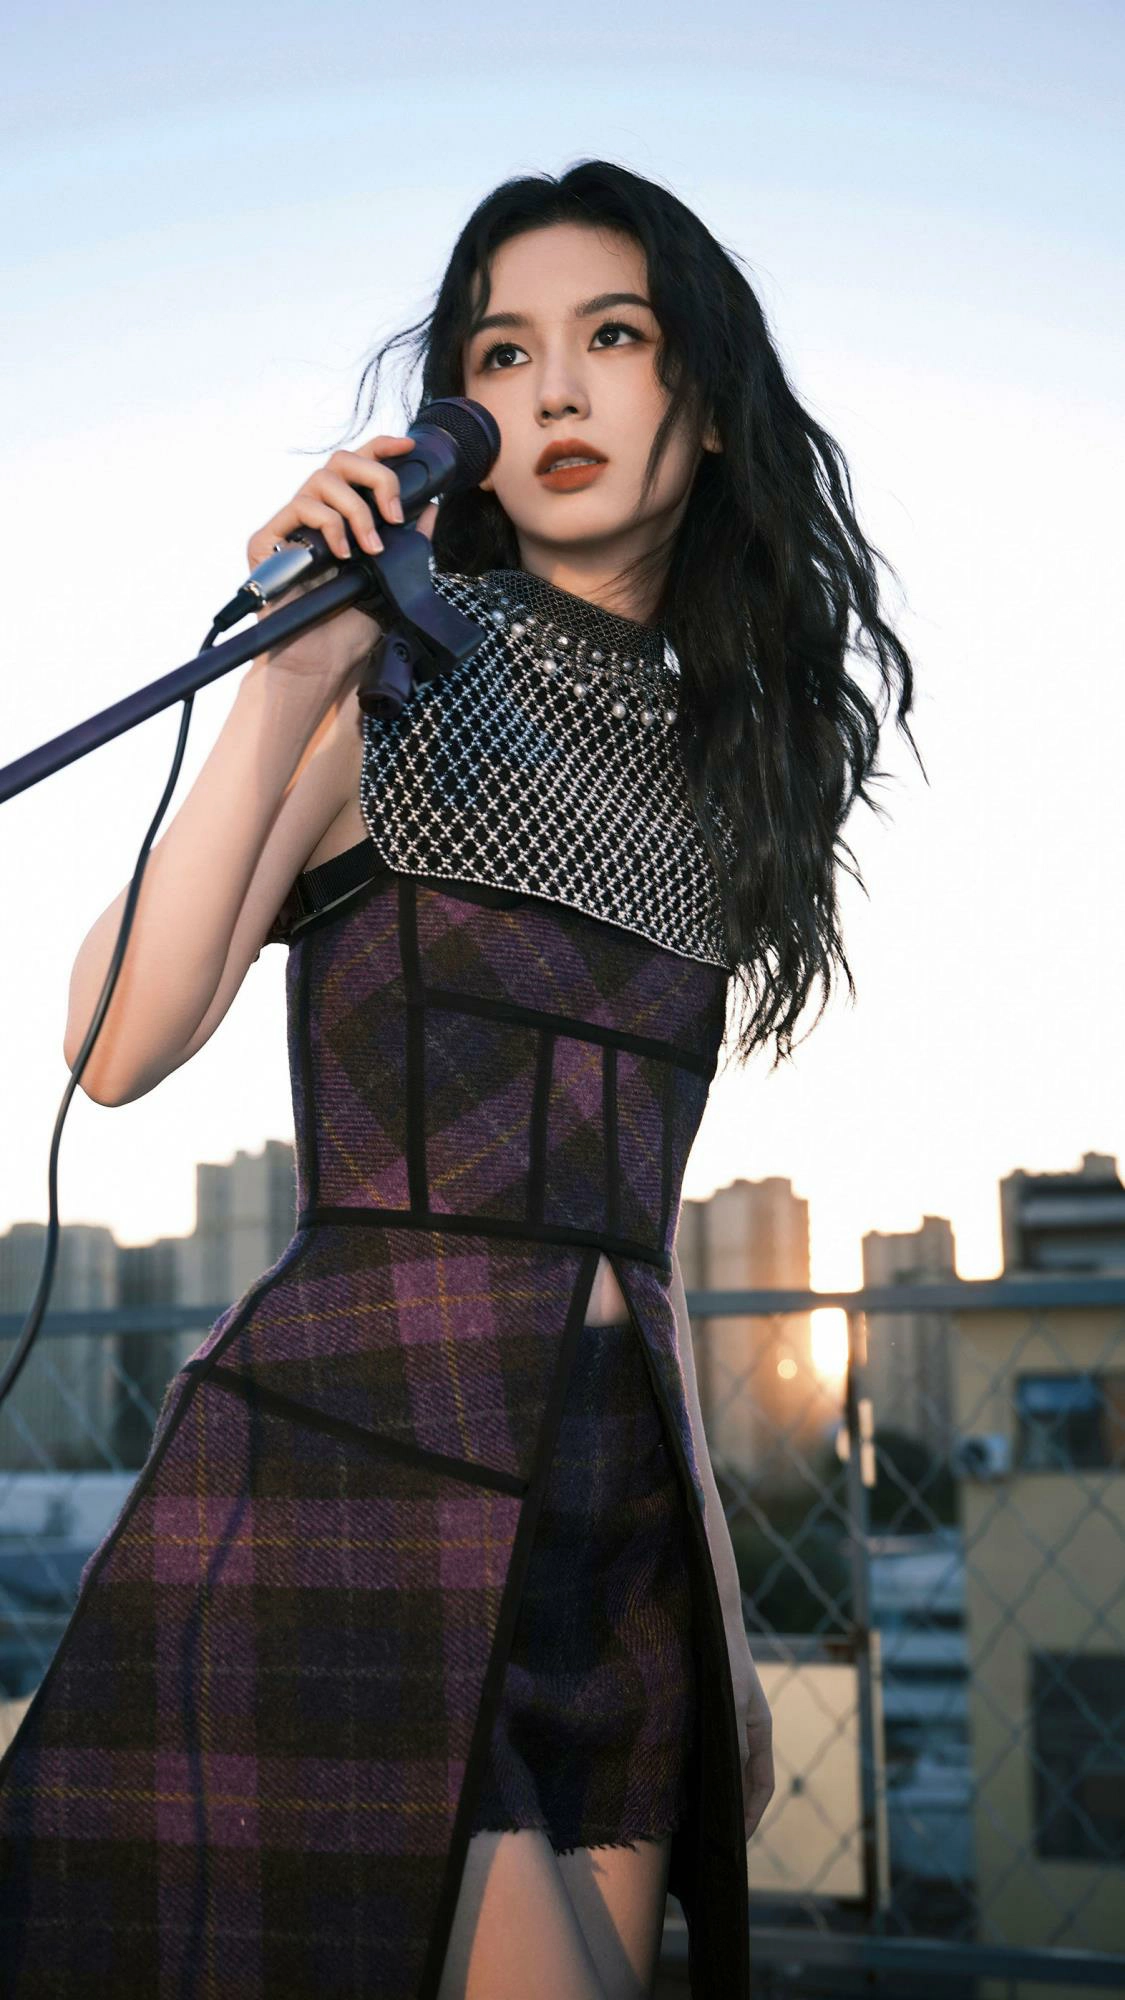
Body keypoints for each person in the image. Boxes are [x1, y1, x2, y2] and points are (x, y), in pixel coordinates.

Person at [0, 160, 917, 1999]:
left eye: (613, 336)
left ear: (707, 405)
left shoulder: (731, 781)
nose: (555, 389)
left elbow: (632, 1239)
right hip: (366, 1471)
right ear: (458, 418)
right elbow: (115, 1043)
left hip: (621, 1518)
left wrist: (713, 1596)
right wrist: (289, 680)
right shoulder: (394, 677)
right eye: (504, 353)